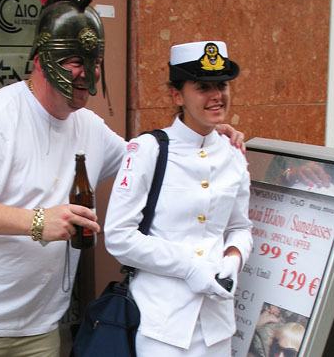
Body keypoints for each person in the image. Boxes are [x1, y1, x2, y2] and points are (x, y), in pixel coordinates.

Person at [0, 0, 245, 356]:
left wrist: (208, 134)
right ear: (39, 60)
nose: (85, 73)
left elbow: (153, 161)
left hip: (40, 324)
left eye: (93, 61)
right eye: (72, 60)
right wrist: (38, 220)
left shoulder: (87, 126)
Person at [104, 40, 253, 356]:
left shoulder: (234, 155)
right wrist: (188, 267)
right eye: (202, 87)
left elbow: (241, 227)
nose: (216, 95)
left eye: (222, 85)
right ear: (176, 95)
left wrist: (233, 259)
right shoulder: (148, 150)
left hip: (217, 326)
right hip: (162, 325)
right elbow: (119, 237)